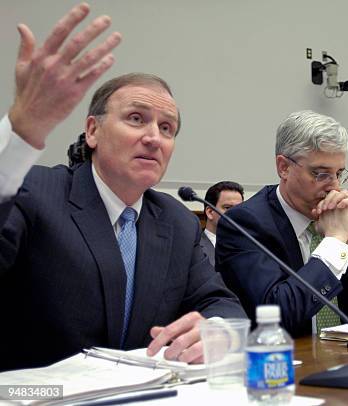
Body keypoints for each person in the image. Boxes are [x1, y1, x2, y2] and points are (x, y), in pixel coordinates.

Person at [0, 5, 245, 371]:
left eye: (167, 128)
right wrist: (22, 131)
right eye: (136, 119)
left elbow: (221, 303)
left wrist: (219, 331)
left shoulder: (176, 221)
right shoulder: (35, 191)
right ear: (93, 131)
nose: (153, 138)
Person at [216, 111, 348, 336]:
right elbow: (277, 316)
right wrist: (334, 243)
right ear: (283, 167)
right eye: (321, 174)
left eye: (339, 174)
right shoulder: (245, 224)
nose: (334, 187)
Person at [200, 181, 244, 266]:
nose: (235, 213)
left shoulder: (251, 247)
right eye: (227, 207)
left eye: (239, 208)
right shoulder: (193, 247)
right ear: (210, 212)